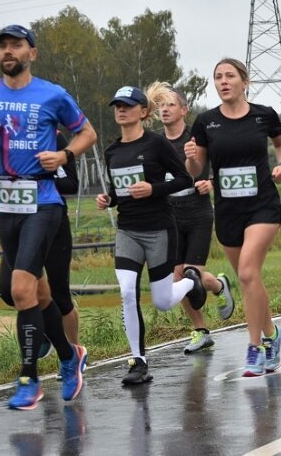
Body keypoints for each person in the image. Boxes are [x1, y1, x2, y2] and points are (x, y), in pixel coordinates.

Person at [0, 24, 95, 409]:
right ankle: (69, 356)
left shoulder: (52, 94)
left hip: (44, 202)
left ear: (32, 53)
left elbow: (87, 133)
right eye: (2, 46)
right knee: (35, 291)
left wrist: (64, 156)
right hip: (8, 203)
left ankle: (29, 378)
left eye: (16, 45)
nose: (8, 52)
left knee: (20, 289)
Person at [185, 58, 281, 377]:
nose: (223, 81)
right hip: (228, 210)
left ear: (245, 81)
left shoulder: (263, 115)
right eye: (217, 77)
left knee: (246, 272)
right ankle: (274, 335)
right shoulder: (205, 122)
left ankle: (255, 347)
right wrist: (191, 162)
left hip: (263, 206)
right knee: (250, 278)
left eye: (230, 76)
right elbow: (196, 170)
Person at [96, 86, 206, 385]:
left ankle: (190, 282)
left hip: (159, 229)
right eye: (117, 105)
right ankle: (138, 361)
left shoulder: (156, 144)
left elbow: (185, 178)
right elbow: (120, 191)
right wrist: (109, 198)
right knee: (127, 291)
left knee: (161, 301)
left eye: (128, 105)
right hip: (128, 230)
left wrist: (154, 189)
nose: (121, 110)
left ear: (143, 112)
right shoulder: (112, 151)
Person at [153, 81, 236, 354]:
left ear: (184, 110)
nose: (164, 110)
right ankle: (201, 330)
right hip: (169, 214)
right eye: (161, 105)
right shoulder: (154, 143)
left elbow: (221, 165)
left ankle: (217, 284)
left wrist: (210, 181)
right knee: (179, 276)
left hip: (198, 211)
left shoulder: (196, 139)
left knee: (192, 274)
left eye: (170, 105)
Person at [0, 131, 83, 356]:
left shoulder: (54, 138)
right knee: (10, 289)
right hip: (18, 222)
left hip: (52, 223)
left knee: (60, 294)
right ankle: (46, 333)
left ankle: (74, 353)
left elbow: (72, 183)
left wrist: (42, 176)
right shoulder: (8, 138)